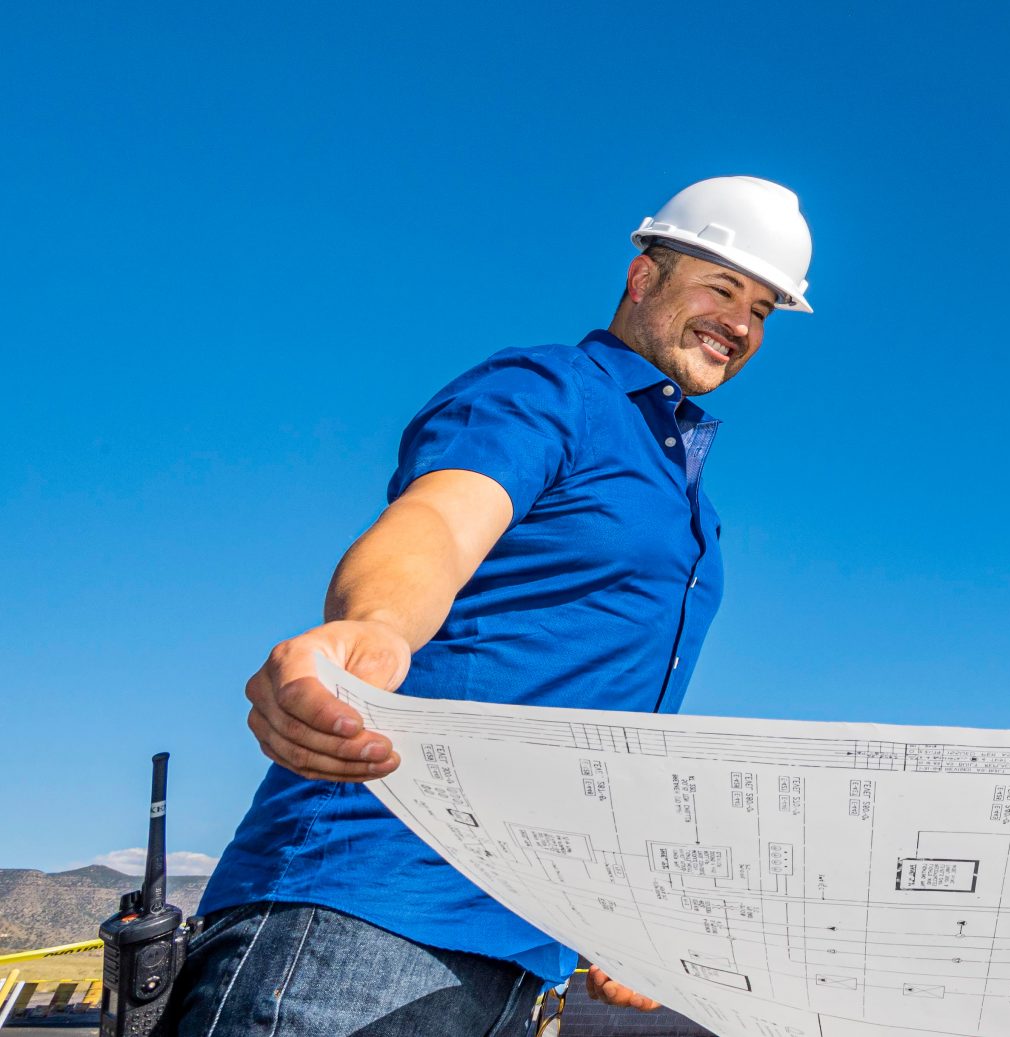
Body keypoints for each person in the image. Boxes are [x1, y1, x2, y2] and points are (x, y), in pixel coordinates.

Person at [171, 177, 816, 1037]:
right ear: (643, 275)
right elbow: (440, 516)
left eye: (764, 308)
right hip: (370, 915)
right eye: (722, 287)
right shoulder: (550, 388)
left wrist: (623, 916)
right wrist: (375, 625)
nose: (741, 324)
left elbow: (606, 727)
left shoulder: (692, 503)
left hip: (524, 955)